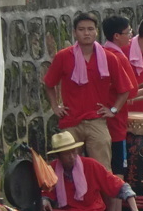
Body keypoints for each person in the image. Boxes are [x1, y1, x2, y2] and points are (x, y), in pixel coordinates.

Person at [44, 11, 135, 170]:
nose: (86, 33)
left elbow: (125, 89)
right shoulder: (64, 56)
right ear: (74, 32)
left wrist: (113, 109)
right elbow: (49, 83)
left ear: (96, 32)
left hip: (97, 120)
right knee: (70, 169)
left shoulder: (108, 57)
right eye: (81, 29)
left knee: (102, 169)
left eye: (90, 29)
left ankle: (100, 195)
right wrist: (55, 106)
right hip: (70, 120)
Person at [42, 131, 142, 211]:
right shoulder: (53, 168)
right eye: (67, 154)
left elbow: (121, 187)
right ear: (58, 156)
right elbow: (46, 193)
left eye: (73, 151)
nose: (72, 156)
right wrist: (45, 201)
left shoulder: (90, 165)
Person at [99, 15, 141, 174]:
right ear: (116, 36)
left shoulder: (100, 53)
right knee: (118, 168)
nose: (131, 35)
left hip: (98, 119)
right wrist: (115, 110)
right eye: (128, 32)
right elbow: (131, 91)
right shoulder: (117, 57)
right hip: (114, 120)